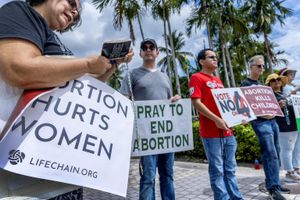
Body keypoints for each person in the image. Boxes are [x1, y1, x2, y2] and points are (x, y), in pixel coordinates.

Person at [0, 0, 133, 199]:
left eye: (77, 13)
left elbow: (75, 89)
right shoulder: (19, 11)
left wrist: (109, 67)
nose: (74, 11)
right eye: (71, 2)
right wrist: (88, 63)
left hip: (61, 174)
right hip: (26, 179)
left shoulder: (53, 39)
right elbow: (18, 69)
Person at [120, 38, 180, 200]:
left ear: (157, 52)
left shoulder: (165, 76)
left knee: (167, 175)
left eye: (151, 47)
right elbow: (123, 101)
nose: (148, 50)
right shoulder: (131, 75)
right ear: (140, 53)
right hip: (146, 136)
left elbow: (167, 102)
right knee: (148, 178)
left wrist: (175, 99)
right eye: (144, 47)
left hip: (167, 135)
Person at [188, 48, 243, 200]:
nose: (215, 59)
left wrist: (238, 117)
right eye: (211, 57)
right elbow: (196, 103)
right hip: (211, 133)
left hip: (228, 132)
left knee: (230, 169)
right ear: (201, 61)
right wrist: (216, 120)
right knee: (217, 170)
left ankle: (236, 197)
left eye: (216, 57)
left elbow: (226, 105)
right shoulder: (196, 77)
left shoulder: (218, 80)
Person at [240, 56, 289, 200]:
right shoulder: (245, 83)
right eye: (259, 66)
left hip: (272, 121)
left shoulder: (262, 85)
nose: (262, 68)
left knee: (276, 153)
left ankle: (276, 185)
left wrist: (278, 106)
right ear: (251, 67)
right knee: (270, 154)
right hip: (261, 123)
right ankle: (273, 188)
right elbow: (247, 106)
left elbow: (268, 104)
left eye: (262, 66)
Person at [268, 71, 300, 181]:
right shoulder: (269, 96)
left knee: (293, 148)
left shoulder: (283, 94)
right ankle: (289, 172)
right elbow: (269, 112)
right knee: (287, 149)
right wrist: (278, 106)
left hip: (293, 125)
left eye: (278, 80)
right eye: (273, 80)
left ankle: (293, 169)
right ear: (269, 84)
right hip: (283, 126)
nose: (277, 82)